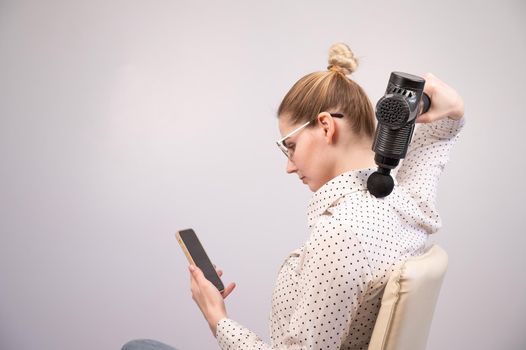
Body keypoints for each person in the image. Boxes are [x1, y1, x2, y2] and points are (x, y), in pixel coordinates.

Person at [122, 43, 465, 350]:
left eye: (291, 147)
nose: (289, 167)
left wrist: (217, 318)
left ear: (327, 126)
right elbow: (439, 136)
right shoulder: (406, 204)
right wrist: (452, 110)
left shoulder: (341, 233)